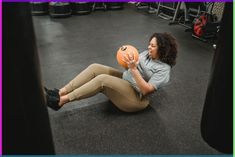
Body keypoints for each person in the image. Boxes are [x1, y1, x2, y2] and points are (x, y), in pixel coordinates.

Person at [45, 32, 178, 112]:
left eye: (153, 46)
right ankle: (60, 92)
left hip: (136, 99)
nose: (149, 47)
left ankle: (61, 101)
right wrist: (127, 60)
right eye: (149, 44)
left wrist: (133, 68)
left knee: (102, 79)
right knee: (95, 67)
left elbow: (146, 90)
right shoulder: (147, 54)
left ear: (162, 49)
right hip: (126, 81)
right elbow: (131, 67)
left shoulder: (164, 69)